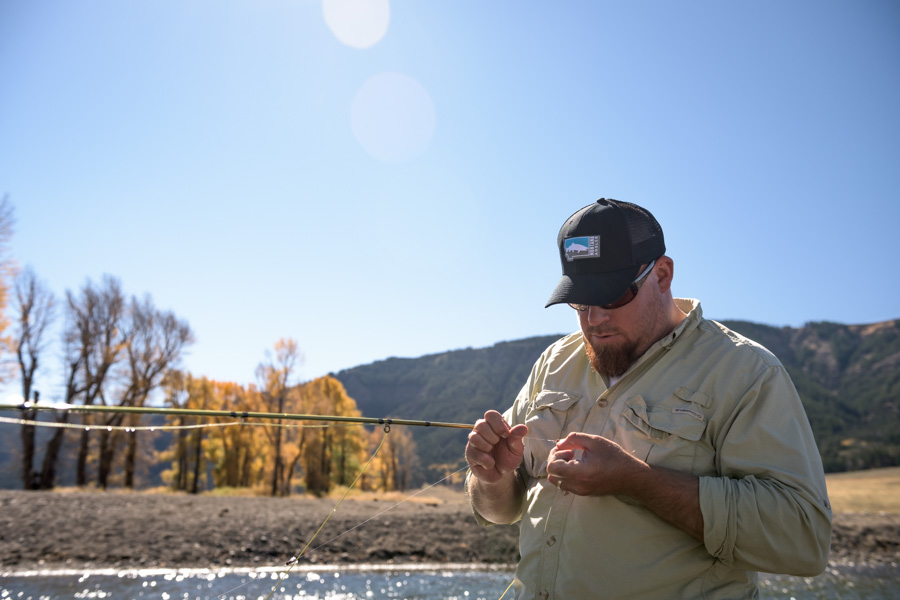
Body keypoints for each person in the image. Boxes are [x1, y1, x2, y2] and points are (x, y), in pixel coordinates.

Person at [464, 198, 832, 600]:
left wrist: (636, 481)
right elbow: (501, 510)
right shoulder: (553, 362)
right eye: (581, 301)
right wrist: (492, 478)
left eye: (612, 296)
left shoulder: (747, 372)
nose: (594, 319)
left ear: (662, 274)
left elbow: (804, 540)